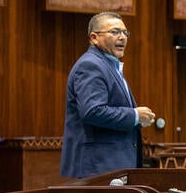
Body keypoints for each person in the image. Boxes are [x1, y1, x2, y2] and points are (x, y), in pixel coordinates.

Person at [61, 12, 157, 178]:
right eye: (114, 32)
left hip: (110, 166)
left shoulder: (108, 65)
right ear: (94, 38)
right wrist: (134, 115)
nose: (122, 37)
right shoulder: (91, 65)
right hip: (98, 168)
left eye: (125, 33)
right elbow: (92, 111)